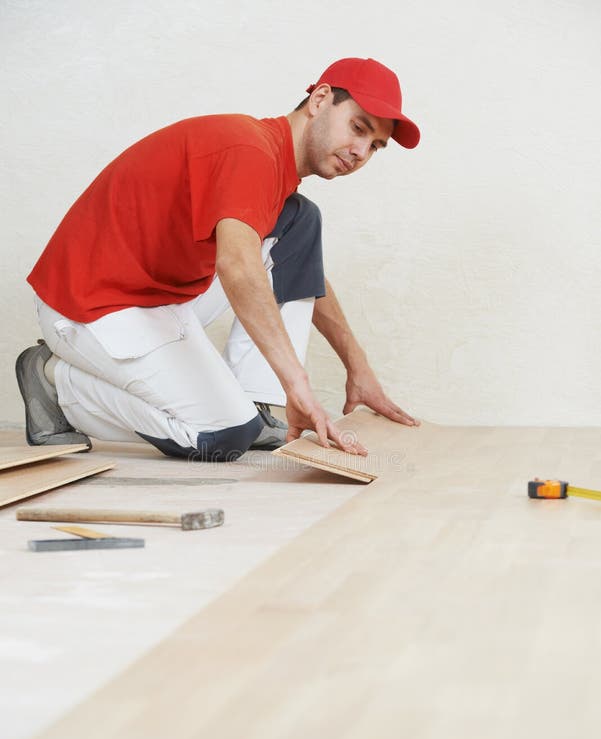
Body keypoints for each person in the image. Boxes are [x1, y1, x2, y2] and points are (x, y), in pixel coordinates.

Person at [16, 56, 421, 462]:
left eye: (375, 146)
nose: (360, 151)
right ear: (319, 100)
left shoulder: (273, 165)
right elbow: (238, 266)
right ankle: (55, 383)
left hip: (157, 292)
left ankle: (253, 404)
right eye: (358, 128)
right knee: (222, 437)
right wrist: (298, 386)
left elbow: (298, 270)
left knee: (299, 222)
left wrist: (358, 366)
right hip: (91, 305)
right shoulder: (249, 149)